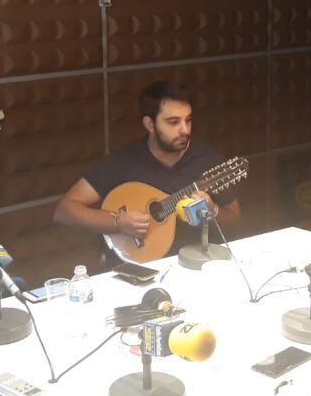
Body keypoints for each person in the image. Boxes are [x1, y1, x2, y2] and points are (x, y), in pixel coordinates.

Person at [53, 80, 240, 263]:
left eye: (188, 120)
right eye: (173, 122)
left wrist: (212, 210)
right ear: (150, 124)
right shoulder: (123, 161)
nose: (185, 130)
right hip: (138, 269)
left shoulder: (206, 158)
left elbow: (234, 218)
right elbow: (65, 210)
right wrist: (118, 223)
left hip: (193, 264)